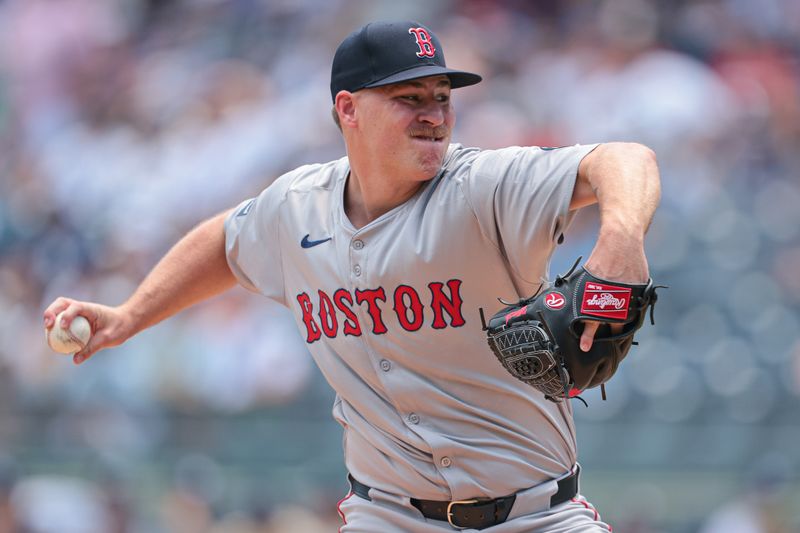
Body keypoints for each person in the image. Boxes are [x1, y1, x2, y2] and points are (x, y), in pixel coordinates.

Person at [44, 20, 661, 532]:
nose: (434, 115)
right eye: (408, 98)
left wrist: (620, 237)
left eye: (442, 96)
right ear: (348, 110)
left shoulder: (483, 187)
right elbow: (225, 243)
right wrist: (129, 316)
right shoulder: (297, 206)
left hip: (537, 516)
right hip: (386, 516)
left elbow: (626, 160)